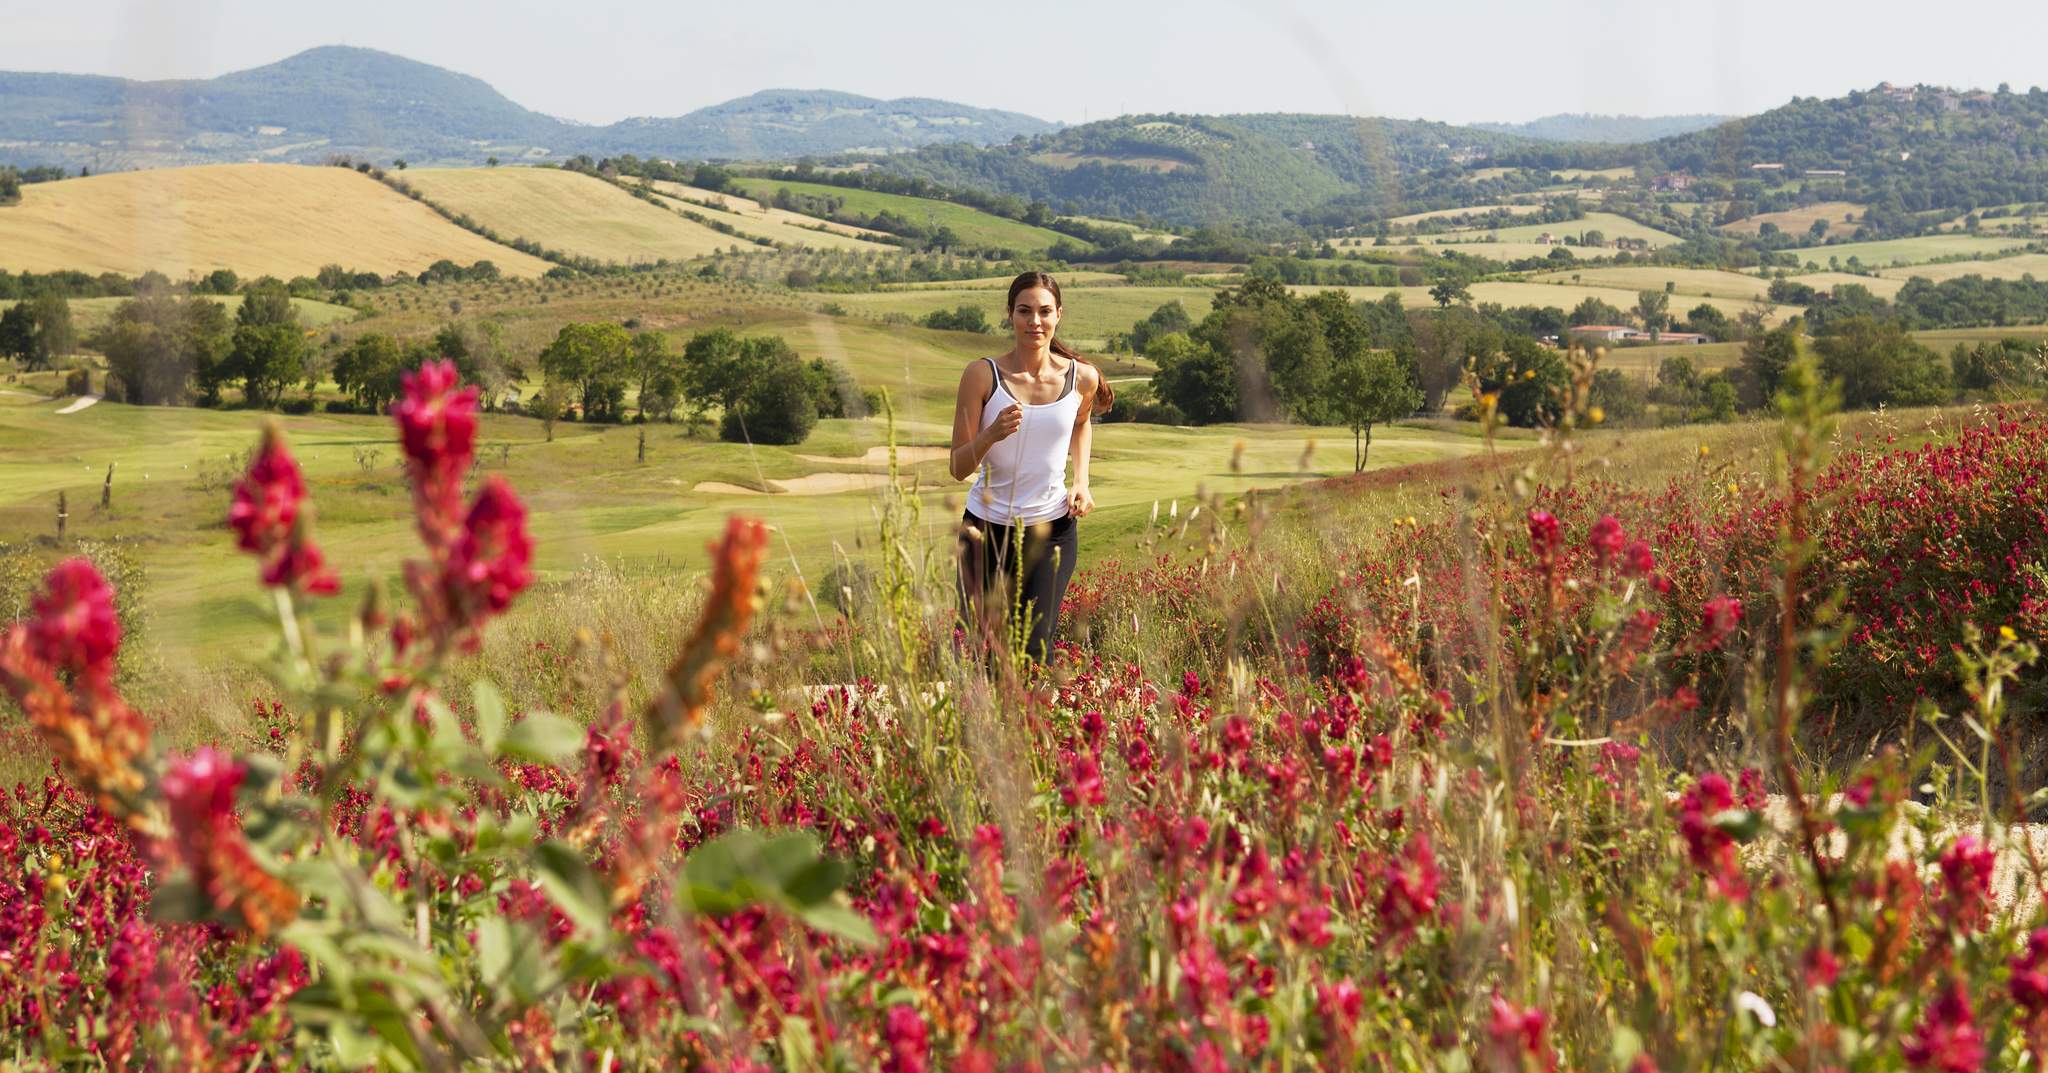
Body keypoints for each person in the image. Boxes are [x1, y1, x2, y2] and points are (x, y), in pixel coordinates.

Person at [948, 271, 1114, 666]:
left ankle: (1026, 727)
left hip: (1052, 531)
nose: (1034, 321)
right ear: (1010, 315)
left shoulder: (1081, 378)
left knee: (1034, 651)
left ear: (1059, 315)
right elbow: (957, 466)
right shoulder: (981, 375)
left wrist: (1081, 482)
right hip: (984, 532)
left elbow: (1080, 422)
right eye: (1024, 311)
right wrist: (991, 435)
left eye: (1043, 311)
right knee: (977, 652)